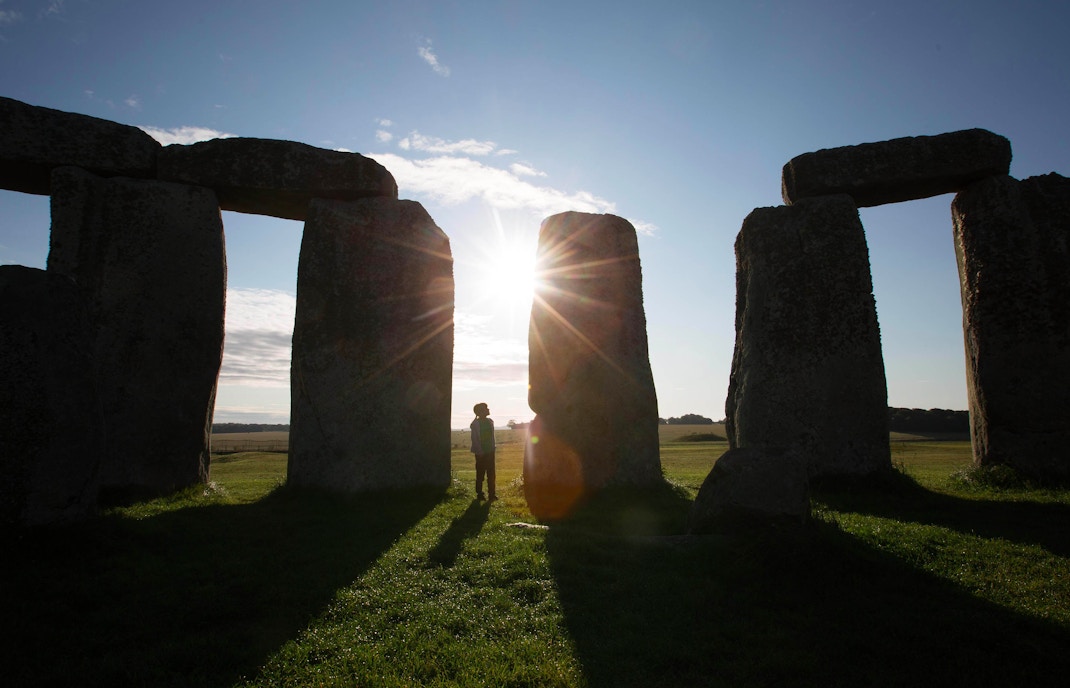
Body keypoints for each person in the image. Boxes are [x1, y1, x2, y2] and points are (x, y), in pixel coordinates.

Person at [469, 402, 497, 501]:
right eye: (486, 408)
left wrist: (493, 447)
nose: (488, 410)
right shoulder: (475, 424)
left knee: (491, 473)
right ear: (480, 411)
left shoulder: (490, 421)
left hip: (490, 451)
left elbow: (491, 437)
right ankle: (480, 493)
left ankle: (492, 494)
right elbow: (475, 439)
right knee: (480, 474)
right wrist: (479, 451)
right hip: (481, 453)